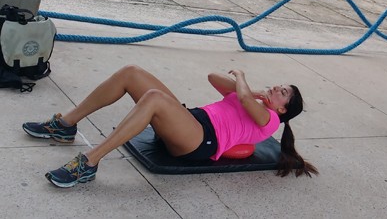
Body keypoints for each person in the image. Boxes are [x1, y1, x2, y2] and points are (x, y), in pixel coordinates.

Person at [22, 65, 318, 188]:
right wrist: (253, 90)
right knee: (132, 73)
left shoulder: (270, 120)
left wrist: (242, 77)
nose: (279, 87)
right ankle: (65, 125)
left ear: (282, 108)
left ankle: (89, 162)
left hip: (201, 142)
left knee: (153, 98)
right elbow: (213, 77)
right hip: (192, 121)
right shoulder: (254, 102)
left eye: (284, 92)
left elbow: (238, 91)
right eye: (282, 86)